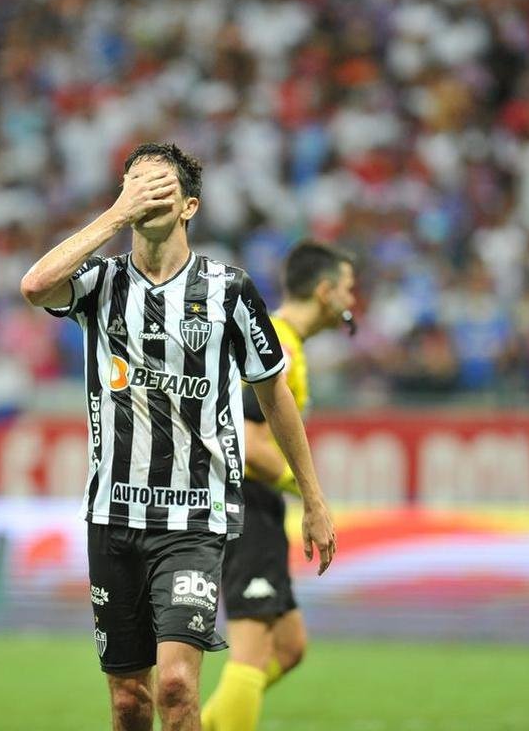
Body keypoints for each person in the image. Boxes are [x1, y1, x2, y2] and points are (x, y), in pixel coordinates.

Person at [20, 142, 336, 731]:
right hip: (112, 519)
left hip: (193, 521)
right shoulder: (100, 283)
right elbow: (35, 286)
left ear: (188, 205)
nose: (145, 190)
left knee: (175, 687)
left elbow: (275, 395)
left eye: (158, 183)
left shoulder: (229, 291)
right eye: (134, 181)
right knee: (128, 702)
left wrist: (314, 499)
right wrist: (116, 215)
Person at [201, 241, 356, 731]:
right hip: (245, 504)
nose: (354, 299)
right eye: (349, 288)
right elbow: (245, 441)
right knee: (250, 653)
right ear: (326, 291)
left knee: (289, 647)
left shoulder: (287, 343)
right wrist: (308, 491)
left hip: (257, 506)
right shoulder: (281, 346)